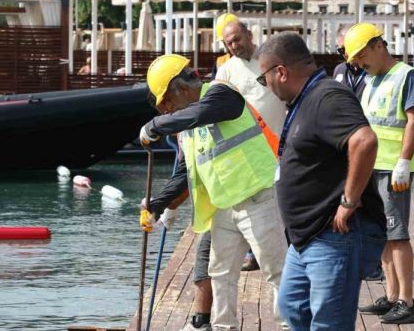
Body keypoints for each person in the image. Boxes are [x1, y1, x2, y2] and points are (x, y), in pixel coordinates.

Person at [139, 54, 286, 331]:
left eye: (167, 103)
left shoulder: (221, 94)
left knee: (276, 270)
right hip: (224, 207)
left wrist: (155, 126)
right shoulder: (187, 127)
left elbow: (199, 113)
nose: (167, 112)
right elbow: (184, 173)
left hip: (259, 197)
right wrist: (158, 205)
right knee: (220, 273)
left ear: (181, 89)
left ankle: (290, 325)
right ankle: (222, 327)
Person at [255, 32, 386, 330]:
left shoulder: (327, 96)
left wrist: (349, 200)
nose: (267, 87)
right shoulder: (305, 100)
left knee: (329, 323)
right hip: (305, 237)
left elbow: (364, 141)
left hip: (332, 234)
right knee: (292, 307)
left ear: (281, 72)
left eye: (264, 80)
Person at [347, 23, 414, 324]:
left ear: (378, 45)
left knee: (397, 234)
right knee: (383, 232)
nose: (359, 63)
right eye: (354, 59)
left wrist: (404, 162)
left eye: (361, 56)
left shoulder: (407, 76)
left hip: (393, 168)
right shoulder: (372, 80)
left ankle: (407, 301)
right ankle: (392, 295)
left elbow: (413, 120)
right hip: (373, 164)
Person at [217, 20, 288, 272]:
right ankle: (253, 252)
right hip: (246, 152)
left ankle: (283, 251)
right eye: (229, 43)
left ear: (249, 34)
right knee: (252, 204)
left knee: (281, 201)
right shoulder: (226, 71)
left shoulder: (270, 58)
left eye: (237, 39)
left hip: (279, 144)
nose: (234, 46)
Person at [332, 25, 369, 100]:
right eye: (341, 50)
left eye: (348, 47)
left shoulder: (373, 68)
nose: (346, 53)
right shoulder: (339, 70)